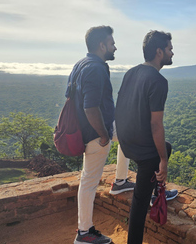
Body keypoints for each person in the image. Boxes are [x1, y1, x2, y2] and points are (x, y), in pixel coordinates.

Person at [68, 26, 134, 244]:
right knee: (88, 182)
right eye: (112, 43)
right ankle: (84, 232)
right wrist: (104, 136)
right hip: (95, 133)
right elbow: (90, 108)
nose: (115, 47)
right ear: (102, 45)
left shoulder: (81, 64)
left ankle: (121, 181)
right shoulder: (96, 68)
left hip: (96, 128)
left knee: (129, 132)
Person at [115, 30, 175, 244]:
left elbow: (120, 107)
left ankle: (154, 190)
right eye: (169, 49)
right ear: (159, 52)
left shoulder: (131, 72)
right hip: (143, 150)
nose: (172, 53)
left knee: (166, 147)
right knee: (139, 203)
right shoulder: (158, 81)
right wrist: (163, 163)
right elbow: (156, 124)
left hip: (126, 142)